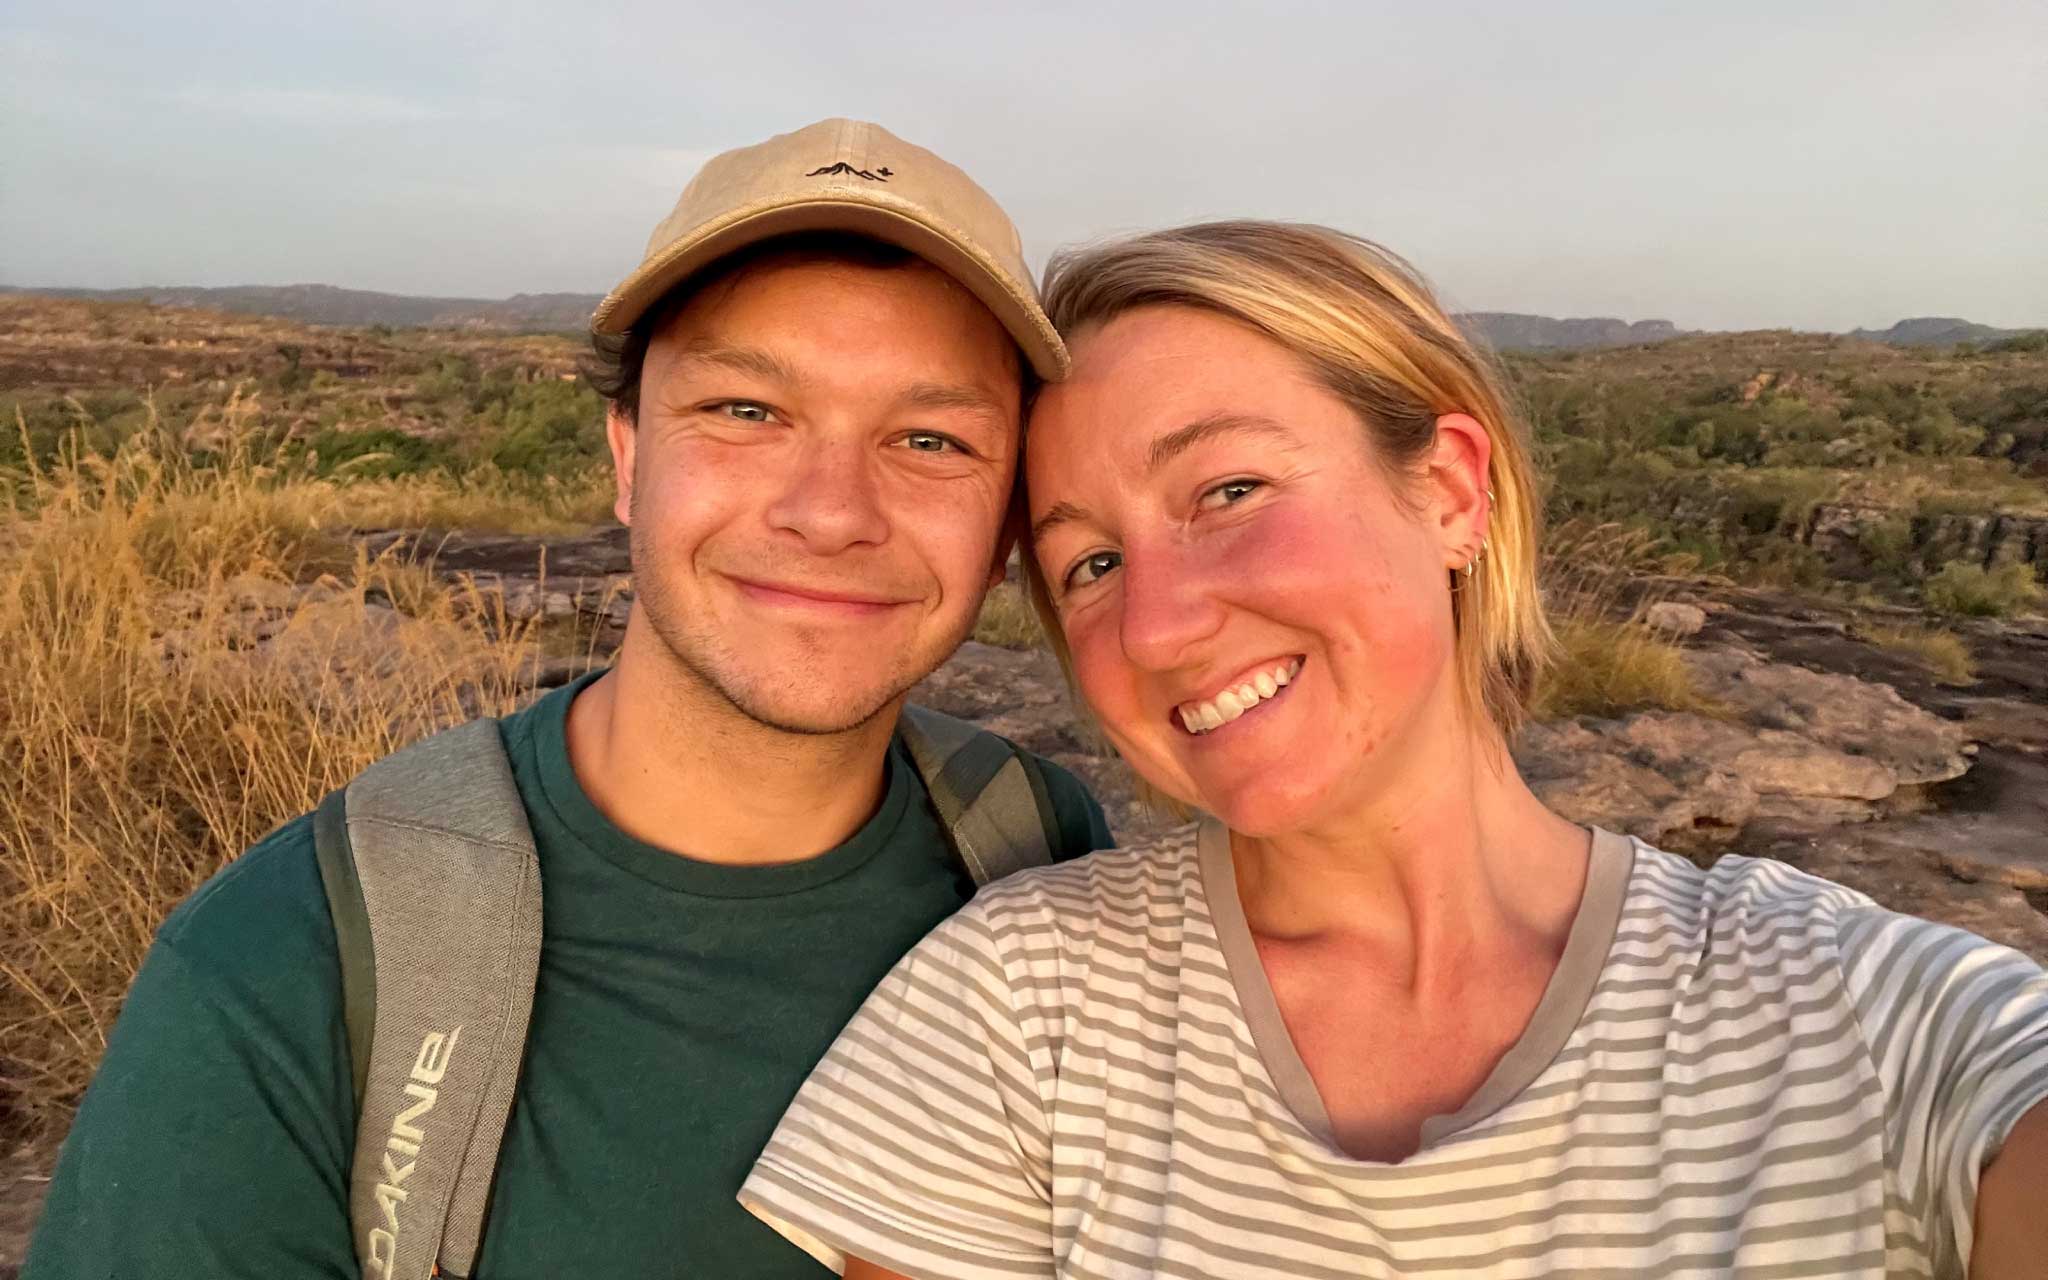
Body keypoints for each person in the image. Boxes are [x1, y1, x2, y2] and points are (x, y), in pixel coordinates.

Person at [739, 221, 2048, 1278]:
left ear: (1450, 491)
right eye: (1088, 562)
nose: (1156, 623)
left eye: (1230, 491)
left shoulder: (1869, 1018)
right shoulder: (1020, 1012)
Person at [26, 119, 1111, 1278]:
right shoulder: (289, 965)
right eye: (746, 411)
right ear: (627, 451)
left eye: (931, 436)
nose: (830, 509)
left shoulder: (1037, 847)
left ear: (1005, 520)